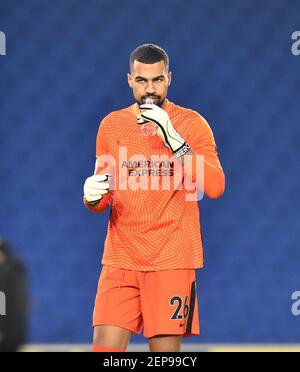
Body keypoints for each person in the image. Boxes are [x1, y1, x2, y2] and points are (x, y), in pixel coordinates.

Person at [83, 44, 225, 352]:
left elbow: (214, 186)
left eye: (157, 80)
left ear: (169, 78)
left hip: (171, 260)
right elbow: (103, 199)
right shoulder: (112, 125)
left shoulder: (192, 123)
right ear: (130, 80)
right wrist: (92, 197)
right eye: (142, 81)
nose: (150, 89)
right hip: (121, 259)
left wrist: (173, 137)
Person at [0, 238, 28, 352]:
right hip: (14, 333)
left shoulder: (6, 273)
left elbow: (3, 301)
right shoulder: (17, 269)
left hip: (7, 334)